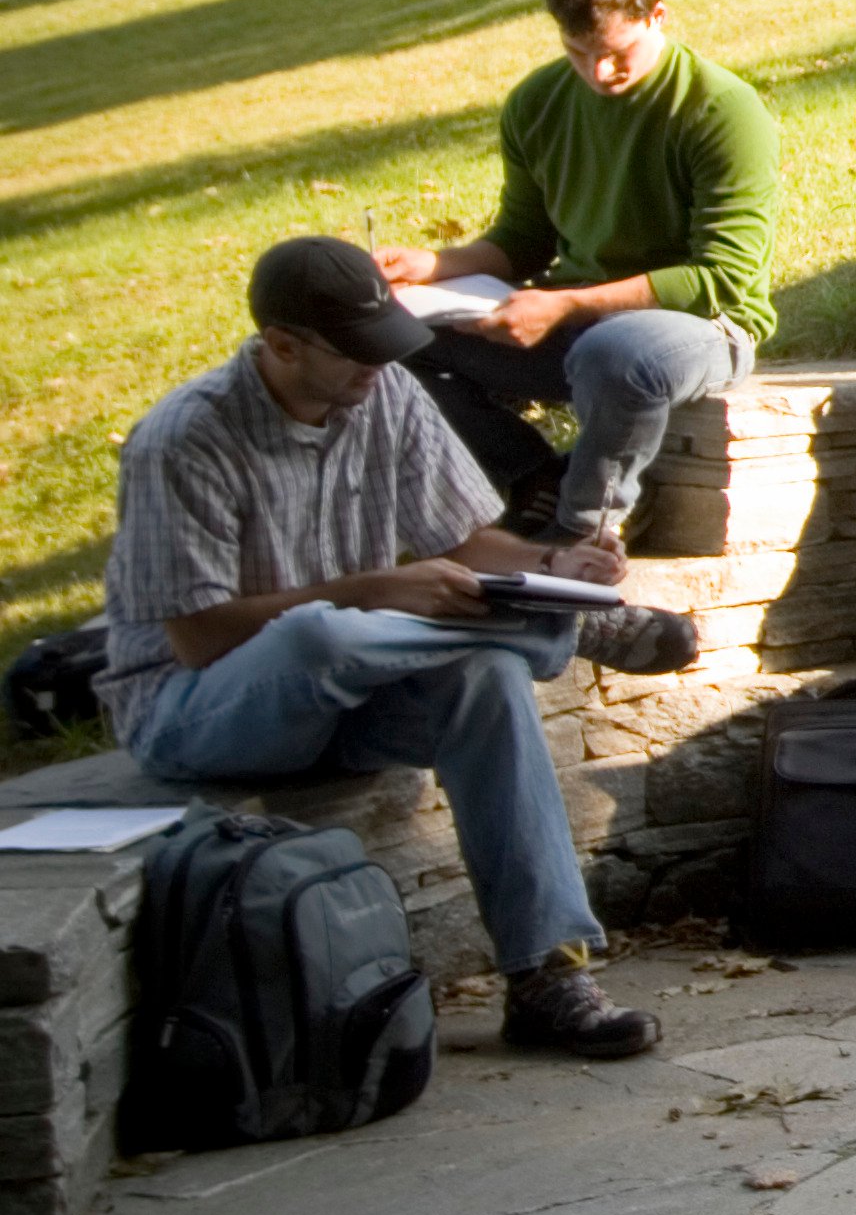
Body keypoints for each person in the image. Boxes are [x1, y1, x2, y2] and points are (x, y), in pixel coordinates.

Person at [99, 238, 695, 1057]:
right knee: (317, 632)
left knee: (486, 676)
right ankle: (560, 632)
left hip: (351, 688)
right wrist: (372, 589)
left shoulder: (385, 395)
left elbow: (468, 542)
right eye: (356, 354)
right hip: (197, 712)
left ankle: (549, 976)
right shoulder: (182, 439)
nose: (376, 369)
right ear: (282, 345)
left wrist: (553, 565)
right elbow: (199, 639)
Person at [384, 0, 780, 541]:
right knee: (389, 334)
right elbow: (523, 241)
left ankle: (584, 530)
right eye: (577, 51)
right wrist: (432, 265)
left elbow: (721, 278)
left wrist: (567, 303)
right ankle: (532, 476)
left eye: (617, 50)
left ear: (658, 17)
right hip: (573, 319)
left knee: (612, 353)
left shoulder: (722, 109)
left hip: (703, 328)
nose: (598, 71)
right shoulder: (536, 103)